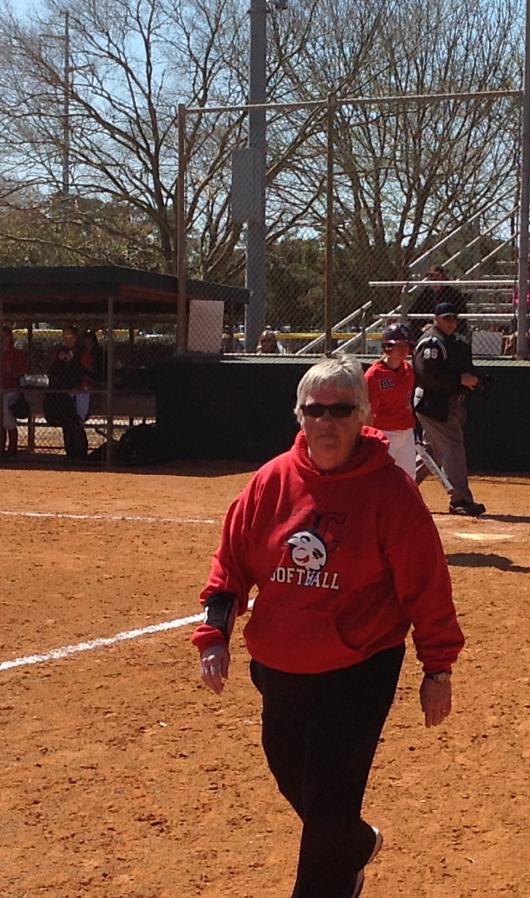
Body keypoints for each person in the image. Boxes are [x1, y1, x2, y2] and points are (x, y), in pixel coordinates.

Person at [192, 355, 464, 898]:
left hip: (360, 666)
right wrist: (214, 634)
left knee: (329, 805)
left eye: (340, 410)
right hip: (281, 665)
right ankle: (356, 844)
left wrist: (438, 668)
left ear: (362, 416)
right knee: (301, 786)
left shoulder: (390, 492)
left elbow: (426, 584)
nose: (326, 422)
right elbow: (232, 563)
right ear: (299, 416)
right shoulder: (271, 482)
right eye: (315, 411)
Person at [413, 302, 485, 516]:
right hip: (433, 402)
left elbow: (461, 370)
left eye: (454, 318)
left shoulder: (454, 342)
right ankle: (460, 500)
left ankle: (398, 487)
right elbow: (427, 377)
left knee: (431, 451)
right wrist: (459, 379)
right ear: (436, 319)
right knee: (453, 446)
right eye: (446, 318)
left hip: (449, 402)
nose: (451, 322)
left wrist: (475, 382)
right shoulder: (432, 342)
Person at [364, 323, 416, 479]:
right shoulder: (374, 375)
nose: (403, 350)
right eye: (398, 345)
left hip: (406, 432)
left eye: (406, 345)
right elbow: (367, 411)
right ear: (387, 347)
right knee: (381, 478)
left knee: (409, 478)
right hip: (384, 433)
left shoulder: (408, 370)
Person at [0, 325, 29, 456]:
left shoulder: (17, 353)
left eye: (5, 335)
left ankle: (12, 448)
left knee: (7, 416)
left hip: (11, 389)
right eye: (0, 336)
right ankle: (1, 448)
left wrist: (13, 371)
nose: (2, 338)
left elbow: (21, 372)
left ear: (10, 337)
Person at [46, 325, 89, 459]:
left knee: (77, 422)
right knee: (67, 421)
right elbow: (52, 371)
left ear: (76, 338)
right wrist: (60, 359)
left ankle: (80, 453)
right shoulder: (61, 351)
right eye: (65, 336)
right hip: (65, 391)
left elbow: (84, 371)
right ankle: (70, 452)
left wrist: (72, 360)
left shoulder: (82, 352)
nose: (67, 339)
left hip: (81, 390)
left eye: (70, 336)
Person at [407, 264, 469, 334]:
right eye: (431, 276)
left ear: (443, 278)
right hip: (427, 329)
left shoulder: (453, 293)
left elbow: (460, 316)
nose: (434, 279)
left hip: (448, 329)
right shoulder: (426, 293)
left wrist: (437, 326)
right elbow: (413, 312)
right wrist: (422, 326)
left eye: (437, 276)